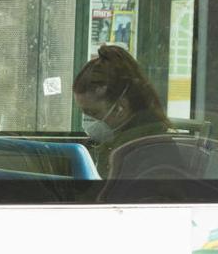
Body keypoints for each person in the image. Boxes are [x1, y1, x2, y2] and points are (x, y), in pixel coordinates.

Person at [73, 44, 179, 177]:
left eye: (94, 113)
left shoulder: (145, 149)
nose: (89, 121)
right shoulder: (115, 141)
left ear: (119, 108)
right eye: (84, 113)